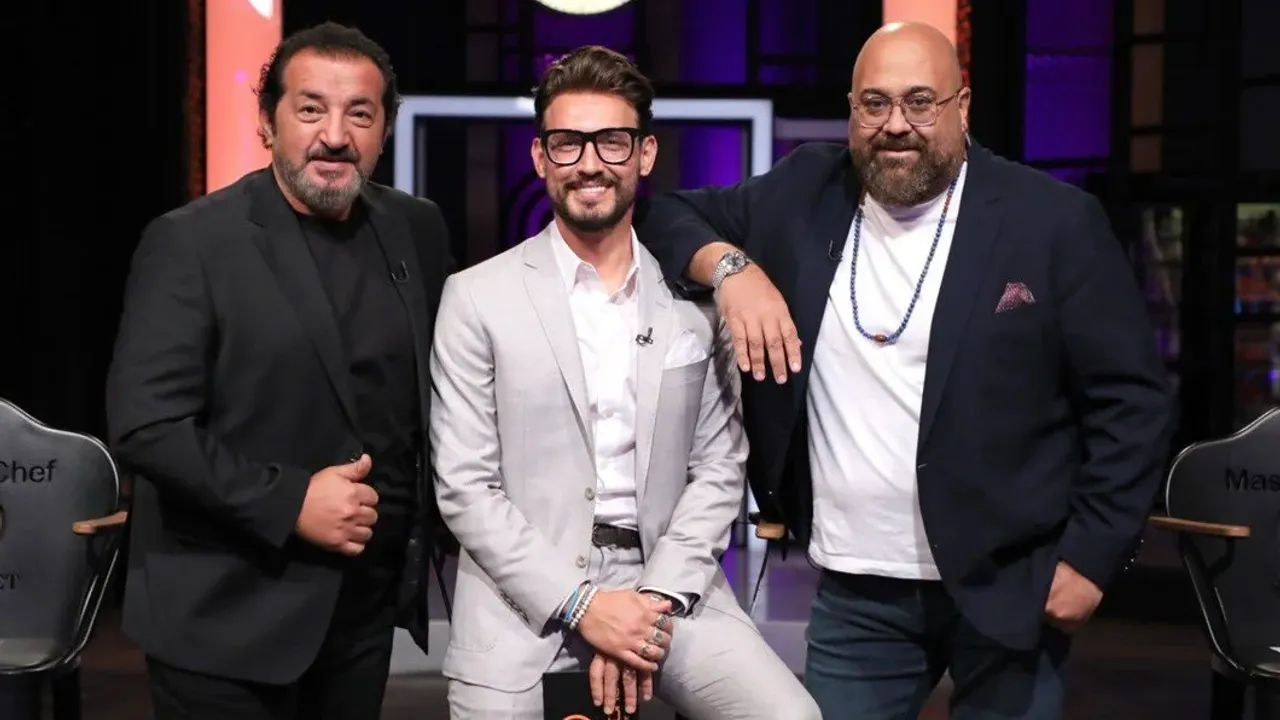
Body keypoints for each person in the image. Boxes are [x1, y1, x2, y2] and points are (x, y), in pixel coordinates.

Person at [636, 21, 1175, 720]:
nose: (896, 124)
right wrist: (733, 270)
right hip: (857, 590)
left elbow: (1133, 405)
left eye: (921, 101)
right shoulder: (805, 189)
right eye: (875, 103)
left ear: (962, 106)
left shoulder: (1052, 222)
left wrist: (1091, 560)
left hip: (1013, 579)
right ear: (851, 110)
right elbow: (666, 215)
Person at [430, 46, 821, 720]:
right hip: (518, 595)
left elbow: (719, 468)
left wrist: (649, 603)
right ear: (540, 157)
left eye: (612, 141)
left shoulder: (696, 304)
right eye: (568, 143)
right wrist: (586, 605)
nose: (590, 163)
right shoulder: (476, 297)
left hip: (669, 581)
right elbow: (465, 488)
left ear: (644, 155)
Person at [105, 22, 454, 720]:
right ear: (267, 123)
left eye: (360, 114)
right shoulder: (191, 241)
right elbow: (147, 426)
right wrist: (290, 502)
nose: (335, 136)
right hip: (223, 617)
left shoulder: (415, 227)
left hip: (360, 614)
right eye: (310, 109)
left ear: (385, 130)